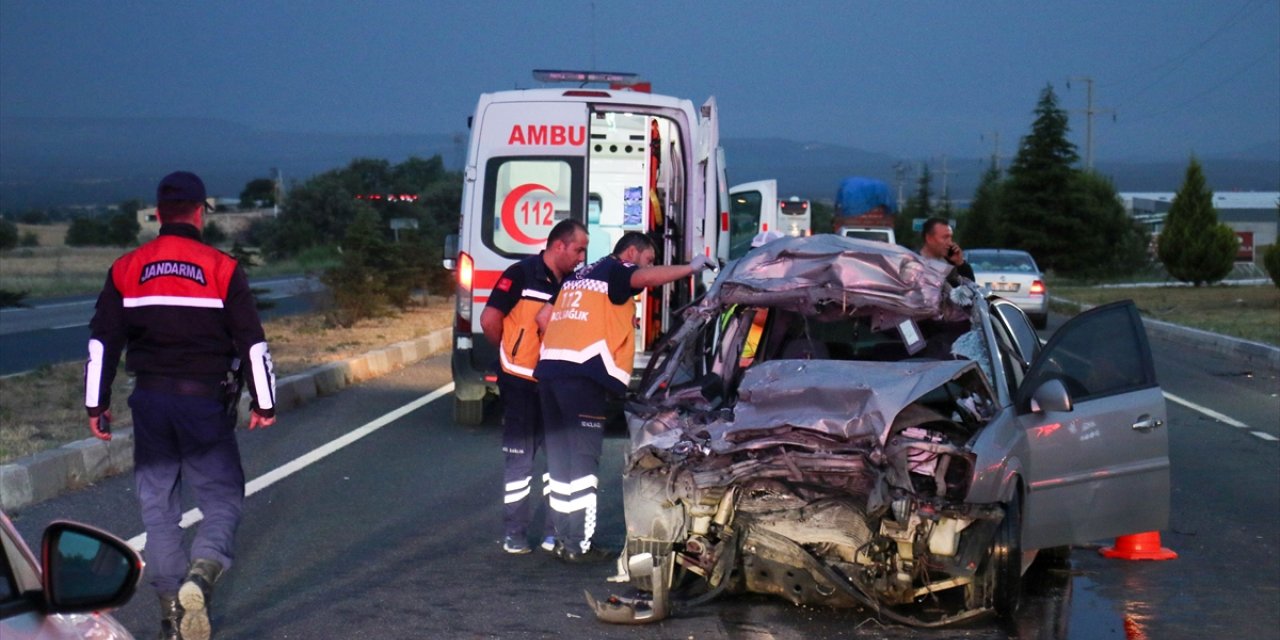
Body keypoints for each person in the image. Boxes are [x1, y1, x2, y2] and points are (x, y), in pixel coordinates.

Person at [84, 171, 276, 640]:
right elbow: (252, 343)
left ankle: (171, 611)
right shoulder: (222, 268)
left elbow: (101, 344)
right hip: (203, 403)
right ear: (198, 212)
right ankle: (204, 569)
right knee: (222, 497)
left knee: (158, 509)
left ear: (158, 214)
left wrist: (96, 404)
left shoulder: (127, 268)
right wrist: (264, 400)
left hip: (150, 401)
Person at [533, 232, 715, 563]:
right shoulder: (616, 270)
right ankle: (579, 545)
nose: (646, 269)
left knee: (560, 462)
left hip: (549, 375)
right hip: (583, 379)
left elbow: (542, 318)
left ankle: (562, 538)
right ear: (631, 252)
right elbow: (644, 277)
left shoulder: (578, 276)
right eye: (647, 259)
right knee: (584, 463)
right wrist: (690, 268)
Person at [479, 219, 589, 555]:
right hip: (521, 381)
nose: (582, 257)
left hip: (556, 382)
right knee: (520, 461)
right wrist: (509, 354)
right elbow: (488, 320)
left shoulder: (573, 282)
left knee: (559, 461)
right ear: (559, 246)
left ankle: (554, 534)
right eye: (578, 249)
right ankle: (515, 533)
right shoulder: (521, 274)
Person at [919, 217, 975, 282]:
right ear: (929, 238)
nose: (950, 242)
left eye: (950, 237)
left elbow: (970, 287)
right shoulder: (913, 263)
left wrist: (960, 263)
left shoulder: (951, 264)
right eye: (945, 237)